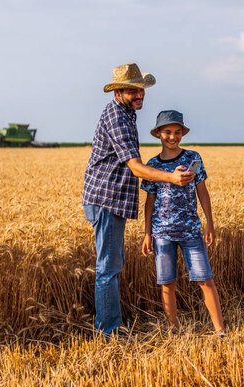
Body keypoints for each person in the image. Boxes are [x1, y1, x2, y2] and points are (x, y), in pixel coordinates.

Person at [82, 63, 195, 336]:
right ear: (119, 91)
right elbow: (135, 167)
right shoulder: (118, 118)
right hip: (106, 199)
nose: (139, 95)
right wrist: (171, 178)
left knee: (112, 265)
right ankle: (108, 331)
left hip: (112, 200)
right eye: (133, 90)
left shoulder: (125, 112)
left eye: (141, 89)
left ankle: (109, 327)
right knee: (108, 268)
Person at [141, 110, 225, 335]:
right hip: (162, 233)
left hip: (191, 231)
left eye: (177, 132)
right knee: (167, 284)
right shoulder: (151, 165)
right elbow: (149, 203)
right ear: (158, 133)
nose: (172, 137)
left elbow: (202, 192)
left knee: (205, 280)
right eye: (167, 132)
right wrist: (147, 233)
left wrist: (210, 223)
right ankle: (174, 330)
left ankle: (220, 330)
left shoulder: (193, 159)